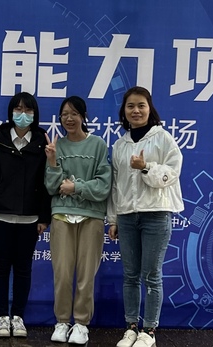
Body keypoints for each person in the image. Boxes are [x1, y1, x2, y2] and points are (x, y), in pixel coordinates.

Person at [108, 86, 183, 347]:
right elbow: (116, 186)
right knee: (130, 275)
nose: (136, 111)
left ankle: (149, 331)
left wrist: (146, 167)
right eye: (130, 106)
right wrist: (114, 219)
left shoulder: (163, 139)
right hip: (127, 217)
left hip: (156, 215)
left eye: (141, 105)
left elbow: (172, 173)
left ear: (150, 109)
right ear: (124, 111)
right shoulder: (120, 145)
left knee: (151, 275)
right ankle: (131, 327)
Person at [0, 92, 51, 338]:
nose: (23, 114)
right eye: (18, 109)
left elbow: (47, 182)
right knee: (0, 267)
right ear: (10, 112)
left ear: (35, 114)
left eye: (28, 110)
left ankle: (18, 316)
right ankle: (2, 316)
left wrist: (44, 217)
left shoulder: (41, 142)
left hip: (30, 218)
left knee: (23, 268)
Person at [44, 96, 112, 345]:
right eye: (64, 114)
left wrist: (76, 187)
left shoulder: (98, 145)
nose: (69, 119)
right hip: (61, 214)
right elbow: (52, 187)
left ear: (83, 116)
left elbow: (103, 185)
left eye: (74, 113)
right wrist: (53, 162)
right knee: (62, 273)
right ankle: (62, 321)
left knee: (86, 274)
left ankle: (81, 324)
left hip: (92, 217)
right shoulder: (57, 146)